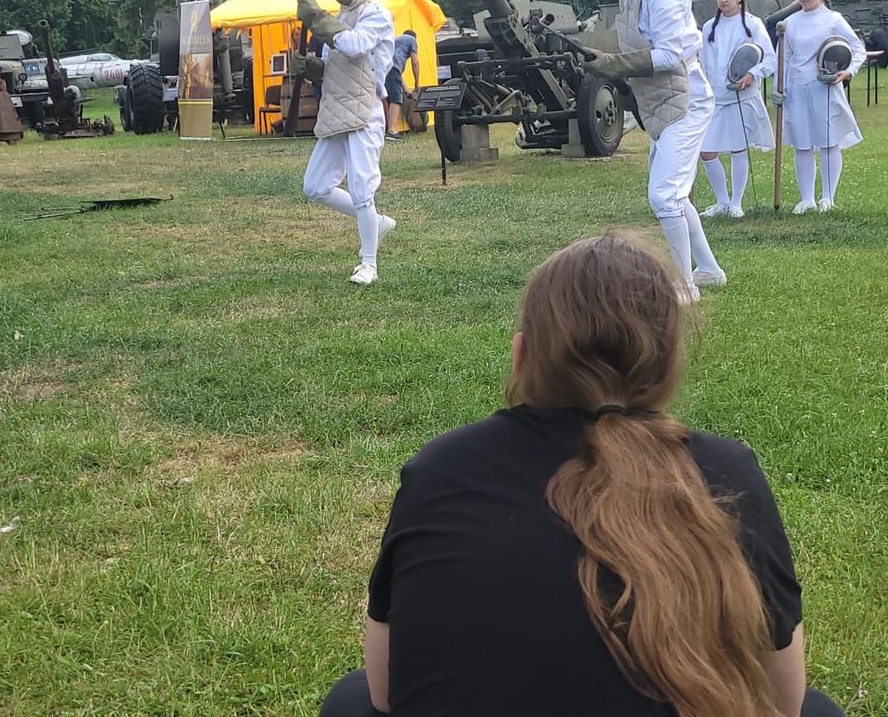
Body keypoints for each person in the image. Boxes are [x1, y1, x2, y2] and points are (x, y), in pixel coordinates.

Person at [320, 234, 845, 717]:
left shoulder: (441, 468)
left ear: (522, 355)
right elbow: (783, 698)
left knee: (350, 700)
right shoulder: (728, 474)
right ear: (668, 364)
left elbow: (386, 691)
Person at [582, 0, 724, 303]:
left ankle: (684, 286)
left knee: (665, 196)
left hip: (686, 101)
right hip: (661, 104)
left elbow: (670, 54)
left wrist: (612, 64)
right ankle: (708, 269)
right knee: (675, 195)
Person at [294, 0, 396, 286]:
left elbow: (353, 46)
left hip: (365, 111)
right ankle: (375, 223)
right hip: (338, 108)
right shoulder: (341, 15)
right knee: (316, 186)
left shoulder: (377, 15)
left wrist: (316, 20)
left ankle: (369, 264)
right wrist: (310, 67)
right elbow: (333, 64)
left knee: (362, 187)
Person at [771, 0, 866, 214]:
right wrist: (779, 88)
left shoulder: (833, 20)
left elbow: (857, 49)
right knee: (802, 144)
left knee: (827, 141)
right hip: (796, 89)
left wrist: (848, 72)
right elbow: (784, 58)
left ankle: (827, 197)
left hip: (824, 88)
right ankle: (807, 198)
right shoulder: (789, 23)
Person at [698, 0, 776, 218]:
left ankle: (736, 203)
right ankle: (721, 202)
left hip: (742, 96)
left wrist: (753, 74)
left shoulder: (753, 25)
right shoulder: (709, 27)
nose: (723, 0)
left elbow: (769, 58)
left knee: (737, 148)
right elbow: (703, 61)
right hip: (716, 98)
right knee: (706, 150)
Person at [385, 30, 420, 140]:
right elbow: (415, 64)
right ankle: (392, 131)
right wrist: (417, 82)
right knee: (396, 99)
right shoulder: (412, 40)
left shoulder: (395, 41)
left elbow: (397, 75)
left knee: (385, 98)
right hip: (392, 69)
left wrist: (407, 91)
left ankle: (385, 128)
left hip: (383, 69)